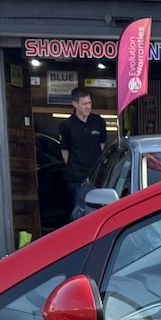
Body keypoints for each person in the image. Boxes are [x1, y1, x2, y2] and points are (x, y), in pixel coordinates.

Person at [58, 87, 107, 222]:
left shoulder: (98, 122)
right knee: (77, 214)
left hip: (96, 177)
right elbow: (64, 150)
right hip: (75, 178)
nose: (88, 107)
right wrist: (75, 166)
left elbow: (102, 144)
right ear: (75, 104)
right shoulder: (67, 125)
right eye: (84, 104)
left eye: (89, 103)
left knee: (97, 213)